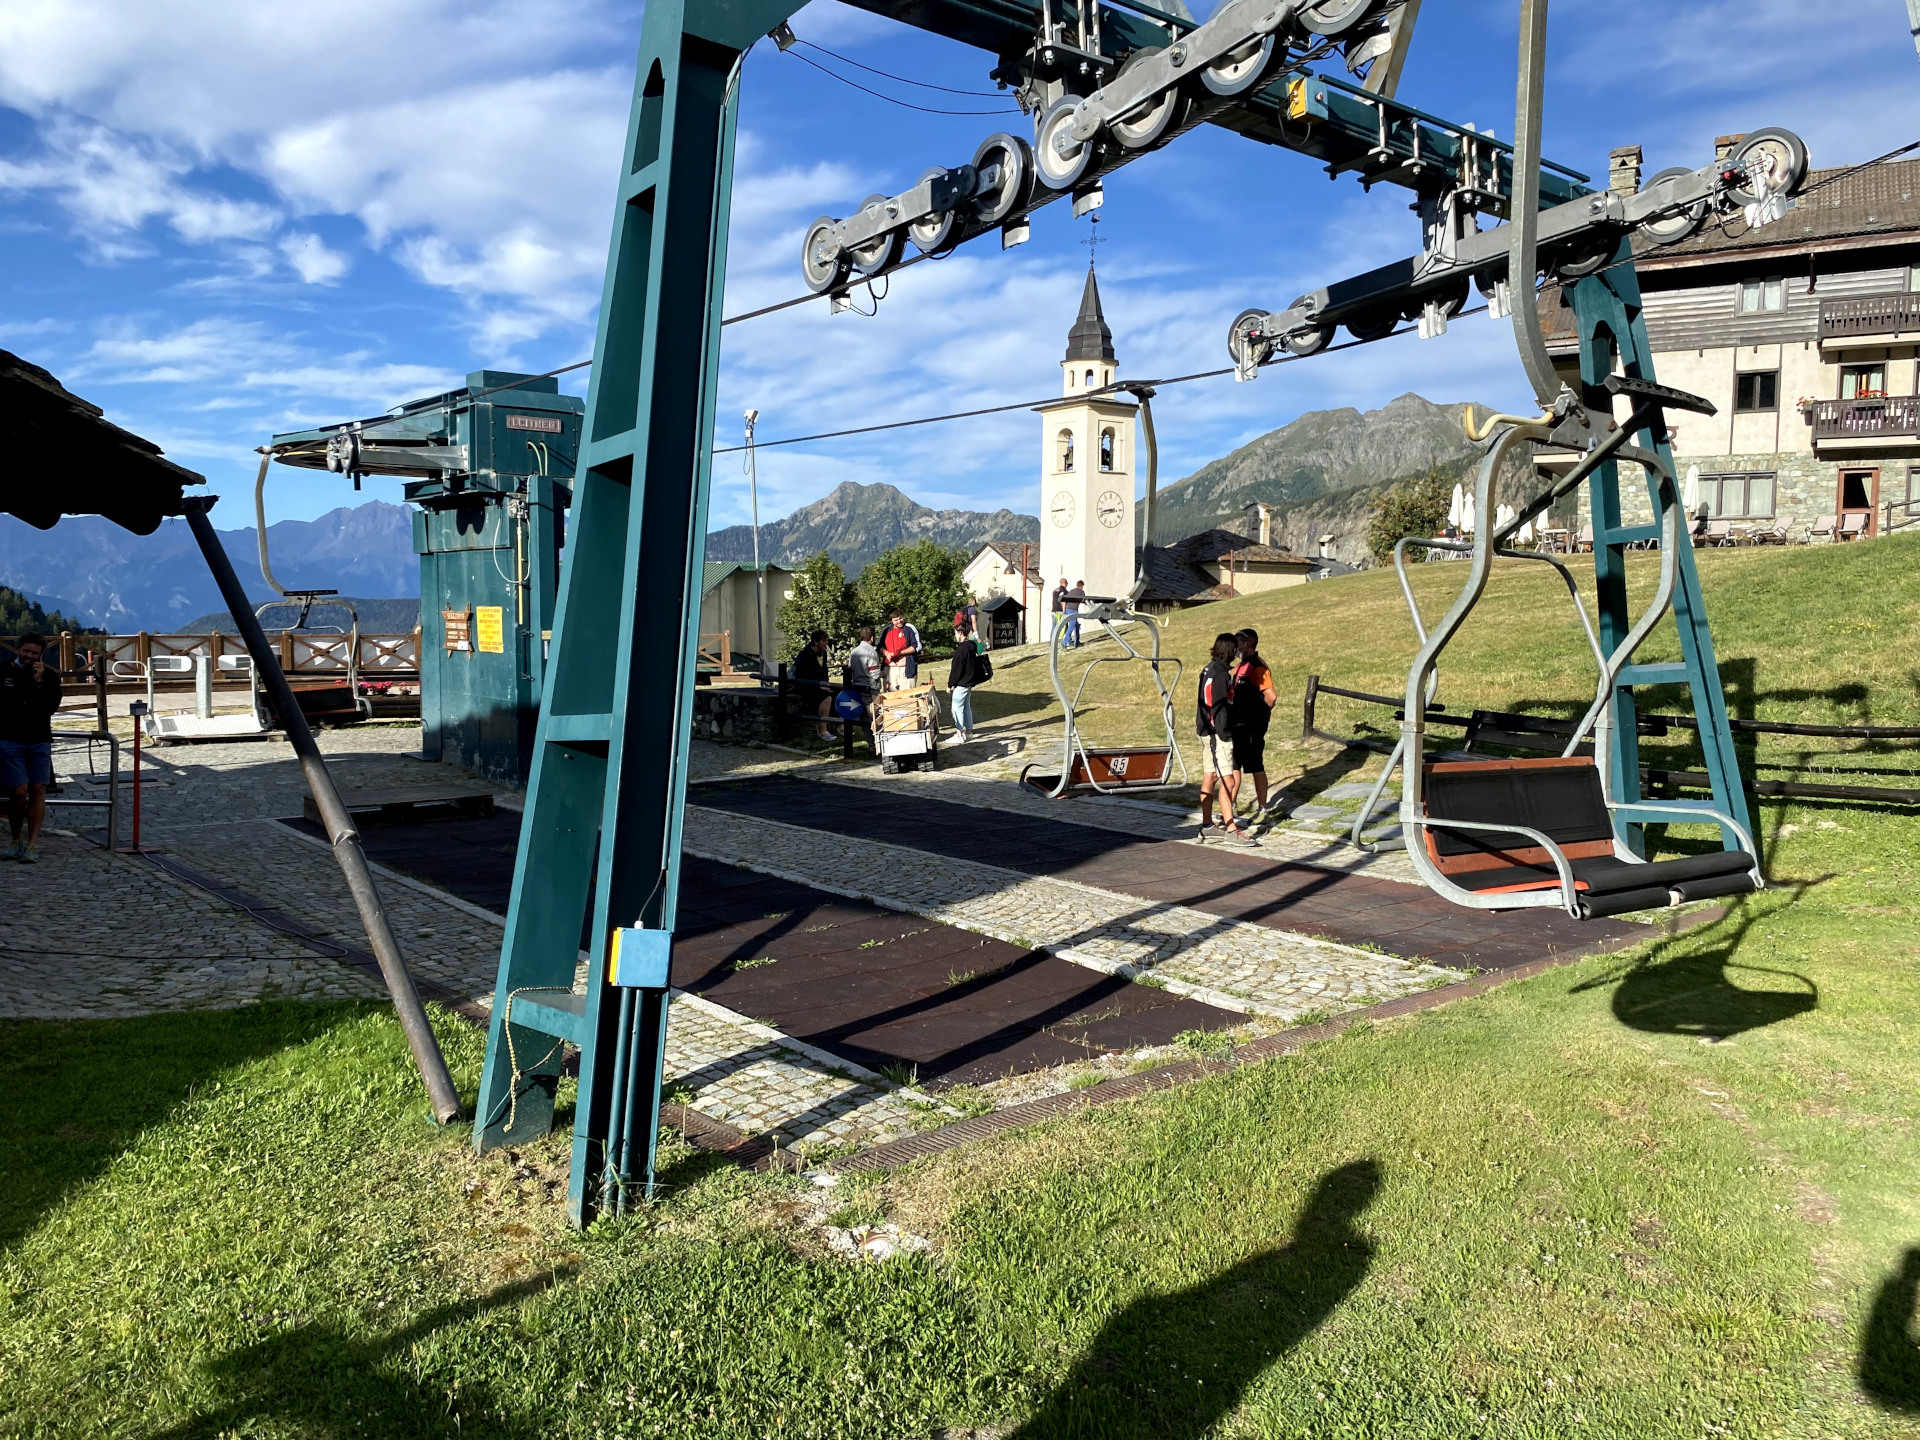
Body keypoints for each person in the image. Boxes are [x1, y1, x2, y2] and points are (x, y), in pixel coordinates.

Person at [1, 633, 61, 863]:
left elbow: (51, 707)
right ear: (18, 649)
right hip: (9, 739)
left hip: (39, 739)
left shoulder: (49, 677)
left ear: (40, 655)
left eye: (34, 653)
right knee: (18, 791)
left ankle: (32, 844)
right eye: (26, 651)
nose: (29, 656)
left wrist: (38, 681)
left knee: (38, 790)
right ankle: (15, 839)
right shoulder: (3, 671)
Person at [1195, 633, 1254, 846]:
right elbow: (1217, 705)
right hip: (1217, 733)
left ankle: (1207, 824)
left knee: (1210, 776)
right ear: (1230, 650)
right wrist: (1224, 733)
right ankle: (1231, 828)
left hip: (1205, 731)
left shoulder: (1208, 669)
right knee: (1228, 780)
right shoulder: (1220, 674)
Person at [1229, 627, 1282, 819]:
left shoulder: (1258, 666)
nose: (1235, 647)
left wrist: (1260, 716)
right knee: (1234, 766)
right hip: (1236, 726)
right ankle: (1231, 805)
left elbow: (1271, 697)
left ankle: (1262, 806)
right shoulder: (1239, 665)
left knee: (1255, 766)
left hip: (1251, 727)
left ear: (1248, 644)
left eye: (1238, 642)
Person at [947, 621, 990, 743]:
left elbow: (957, 669)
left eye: (956, 633)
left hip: (962, 683)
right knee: (966, 707)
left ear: (960, 633)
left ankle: (959, 734)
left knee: (956, 708)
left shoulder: (962, 649)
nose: (955, 636)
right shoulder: (971, 646)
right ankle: (969, 732)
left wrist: (950, 684)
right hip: (969, 681)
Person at [791, 630, 835, 740]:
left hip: (820, 685)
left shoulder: (823, 654)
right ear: (816, 642)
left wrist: (826, 684)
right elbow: (801, 675)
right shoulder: (804, 655)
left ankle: (841, 726)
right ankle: (822, 731)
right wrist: (819, 685)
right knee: (826, 697)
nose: (826, 644)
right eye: (823, 641)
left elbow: (824, 671)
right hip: (807, 687)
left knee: (838, 692)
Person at [881, 608, 922, 688]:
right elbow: (880, 647)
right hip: (891, 669)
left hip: (906, 669)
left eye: (900, 618)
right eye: (896, 620)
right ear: (891, 621)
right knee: (890, 696)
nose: (899, 621)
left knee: (908, 696)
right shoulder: (886, 630)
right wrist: (886, 653)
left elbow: (917, 646)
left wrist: (900, 653)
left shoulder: (909, 628)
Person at [844, 625, 882, 700]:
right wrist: (882, 674)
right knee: (872, 710)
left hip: (856, 687)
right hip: (870, 689)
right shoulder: (872, 651)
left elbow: (850, 669)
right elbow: (874, 674)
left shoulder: (854, 652)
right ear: (872, 638)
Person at [1064, 579, 1086, 648]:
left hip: (1067, 609)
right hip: (1073, 610)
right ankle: (1064, 642)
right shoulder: (1081, 592)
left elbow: (1066, 600)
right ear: (1082, 586)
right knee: (1072, 626)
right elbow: (1083, 600)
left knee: (1076, 625)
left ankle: (1077, 642)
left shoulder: (1071, 591)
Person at [1051, 579, 1068, 645]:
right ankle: (1060, 641)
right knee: (1061, 627)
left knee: (1053, 627)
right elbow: (1063, 602)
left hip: (1053, 611)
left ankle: (1052, 642)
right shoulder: (1064, 591)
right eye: (1067, 583)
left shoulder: (1055, 590)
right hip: (1060, 611)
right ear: (1064, 583)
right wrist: (1064, 611)